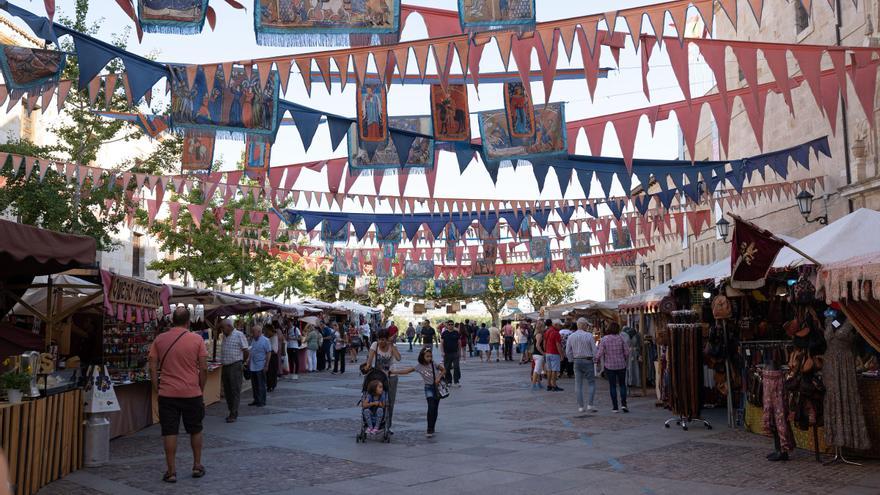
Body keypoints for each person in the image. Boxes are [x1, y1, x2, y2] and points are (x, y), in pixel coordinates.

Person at [148, 307, 208, 483]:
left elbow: (152, 367)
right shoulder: (197, 339)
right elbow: (203, 367)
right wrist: (200, 388)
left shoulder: (160, 339)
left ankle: (171, 471)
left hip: (167, 392)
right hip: (192, 392)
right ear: (189, 322)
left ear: (172, 320)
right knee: (195, 429)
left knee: (169, 431)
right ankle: (197, 465)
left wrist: (156, 388)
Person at [395, 347, 446, 437]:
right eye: (427, 356)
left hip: (437, 387)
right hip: (428, 388)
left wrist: (438, 377)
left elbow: (443, 370)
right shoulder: (419, 366)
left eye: (430, 356)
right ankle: (429, 429)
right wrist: (394, 372)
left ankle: (432, 426)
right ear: (422, 356)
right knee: (431, 406)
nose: (429, 358)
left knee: (435, 408)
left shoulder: (433, 363)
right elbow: (407, 371)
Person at [219, 319, 249, 423]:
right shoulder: (225, 336)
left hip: (235, 365)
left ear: (229, 326)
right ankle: (231, 410)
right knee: (227, 390)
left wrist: (242, 362)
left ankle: (233, 412)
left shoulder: (239, 335)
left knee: (234, 389)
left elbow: (246, 350)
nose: (222, 330)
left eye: (223, 328)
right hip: (226, 366)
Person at [596, 322, 630, 413]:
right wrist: (623, 358)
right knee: (622, 385)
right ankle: (624, 404)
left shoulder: (604, 339)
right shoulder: (621, 338)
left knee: (612, 386)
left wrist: (596, 360)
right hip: (621, 365)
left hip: (609, 366)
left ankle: (615, 407)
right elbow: (627, 352)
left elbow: (600, 352)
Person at [566, 318, 598, 413]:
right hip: (588, 360)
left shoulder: (571, 336)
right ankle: (590, 405)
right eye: (587, 325)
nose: (587, 327)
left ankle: (580, 406)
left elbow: (568, 351)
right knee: (591, 383)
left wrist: (571, 360)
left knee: (578, 384)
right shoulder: (589, 336)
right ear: (583, 325)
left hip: (577, 360)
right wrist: (594, 360)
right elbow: (594, 350)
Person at [248, 324, 272, 407]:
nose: (252, 333)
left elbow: (269, 352)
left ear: (259, 332)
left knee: (261, 384)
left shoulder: (265, 340)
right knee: (254, 384)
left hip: (261, 365)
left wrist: (266, 365)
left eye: (253, 332)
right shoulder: (253, 340)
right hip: (252, 365)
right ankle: (256, 399)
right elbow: (251, 350)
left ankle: (262, 401)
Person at [543, 319, 564, 392]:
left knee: (549, 370)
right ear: (555, 325)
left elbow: (544, 342)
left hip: (548, 353)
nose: (561, 327)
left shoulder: (547, 331)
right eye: (560, 325)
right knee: (554, 370)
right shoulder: (556, 333)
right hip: (554, 353)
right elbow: (558, 345)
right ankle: (554, 385)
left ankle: (549, 385)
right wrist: (561, 355)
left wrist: (545, 351)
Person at [440, 321, 461, 386]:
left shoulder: (456, 333)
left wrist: (459, 352)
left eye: (452, 324)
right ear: (447, 325)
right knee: (447, 368)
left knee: (456, 366)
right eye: (449, 324)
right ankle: (449, 381)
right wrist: (442, 352)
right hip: (447, 353)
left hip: (455, 353)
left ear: (453, 325)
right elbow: (441, 343)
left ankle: (456, 381)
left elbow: (459, 343)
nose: (450, 326)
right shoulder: (444, 333)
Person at [265, 324, 279, 392]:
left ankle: (271, 385)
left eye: (267, 330)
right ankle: (269, 385)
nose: (266, 332)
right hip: (270, 356)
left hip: (272, 356)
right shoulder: (269, 337)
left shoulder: (274, 337)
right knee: (269, 372)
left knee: (271, 372)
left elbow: (274, 350)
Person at [531, 321, 545, 389]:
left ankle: (539, 384)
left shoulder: (536, 333)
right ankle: (534, 384)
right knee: (537, 370)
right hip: (538, 354)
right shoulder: (539, 334)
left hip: (536, 354)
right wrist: (543, 353)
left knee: (538, 370)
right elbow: (537, 345)